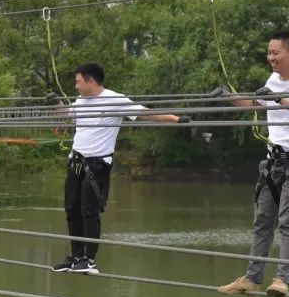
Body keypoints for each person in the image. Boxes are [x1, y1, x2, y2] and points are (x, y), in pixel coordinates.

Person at [52, 62, 189, 275]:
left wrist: (176, 119)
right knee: (72, 210)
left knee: (89, 211)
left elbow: (145, 114)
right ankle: (76, 256)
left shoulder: (115, 100)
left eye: (78, 81)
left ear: (91, 81)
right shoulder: (80, 101)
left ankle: (89, 260)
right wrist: (57, 106)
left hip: (96, 165)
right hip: (76, 161)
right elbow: (68, 120)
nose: (75, 85)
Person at [216, 31, 289, 297]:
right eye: (269, 53)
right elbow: (254, 104)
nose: (270, 57)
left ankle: (282, 281)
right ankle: (251, 279)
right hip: (273, 161)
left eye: (275, 52)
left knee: (288, 221)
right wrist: (228, 97)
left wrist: (278, 98)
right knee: (262, 222)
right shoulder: (273, 80)